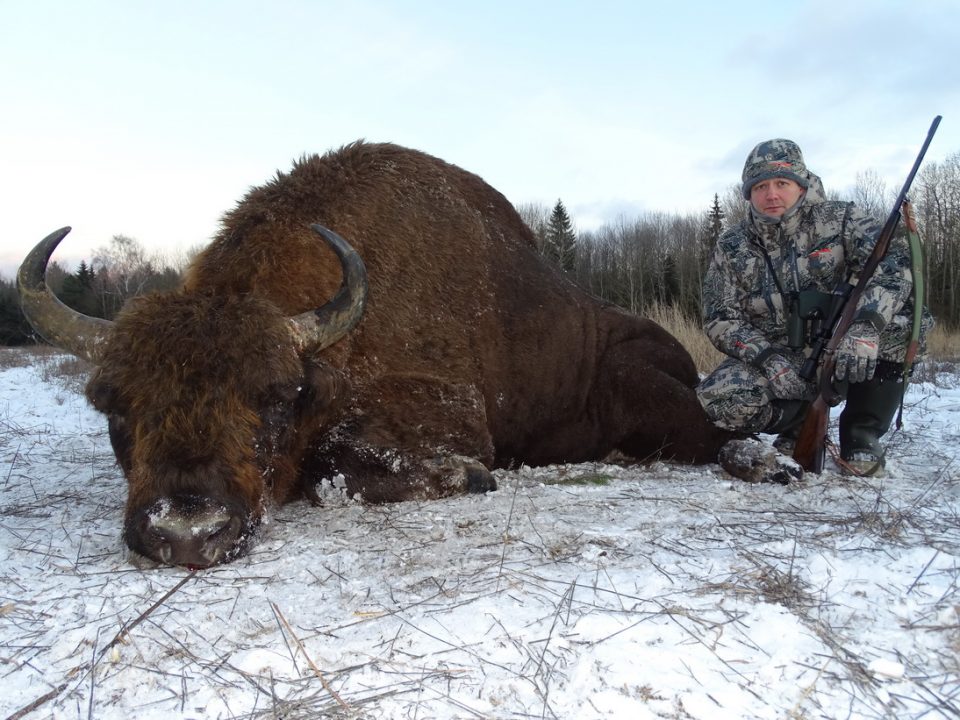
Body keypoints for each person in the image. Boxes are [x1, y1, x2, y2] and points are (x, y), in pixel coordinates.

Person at [697, 139, 933, 476]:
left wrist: (865, 327)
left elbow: (895, 268)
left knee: (909, 325)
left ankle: (862, 435)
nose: (772, 194)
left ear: (801, 185)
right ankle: (797, 424)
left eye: (782, 183)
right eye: (760, 186)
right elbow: (720, 318)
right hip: (781, 357)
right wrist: (768, 359)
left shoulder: (841, 218)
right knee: (716, 399)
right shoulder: (732, 245)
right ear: (748, 194)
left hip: (847, 345)